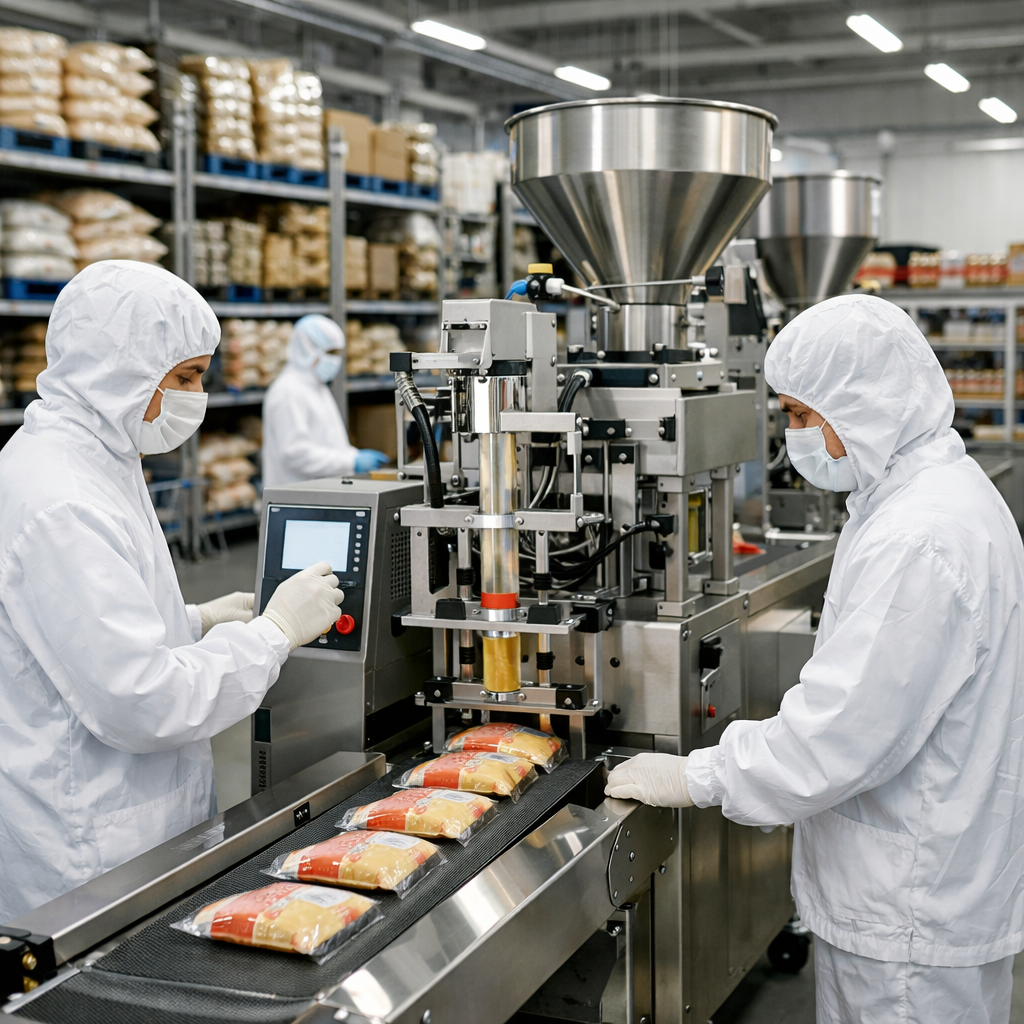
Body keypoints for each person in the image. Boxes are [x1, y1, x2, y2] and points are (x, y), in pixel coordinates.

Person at [606, 294, 1024, 1022]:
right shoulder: (930, 496)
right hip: (930, 884)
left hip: (906, 917)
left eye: (802, 416)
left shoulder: (917, 539)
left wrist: (696, 774)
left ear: (863, 406)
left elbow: (837, 736)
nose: (793, 436)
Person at [0, 261, 346, 923]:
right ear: (121, 370)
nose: (197, 397)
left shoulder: (98, 454)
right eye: (185, 377)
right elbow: (141, 699)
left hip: (123, 824)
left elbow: (87, 630)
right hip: (89, 850)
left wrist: (194, 620)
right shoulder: (62, 498)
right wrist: (271, 635)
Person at [262, 315, 388, 487]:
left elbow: (329, 441)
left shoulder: (316, 386)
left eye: (337, 353)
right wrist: (351, 462)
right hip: (298, 498)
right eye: (330, 353)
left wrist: (353, 455)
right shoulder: (288, 391)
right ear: (307, 349)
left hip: (320, 494)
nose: (335, 361)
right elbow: (295, 454)